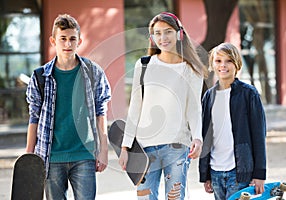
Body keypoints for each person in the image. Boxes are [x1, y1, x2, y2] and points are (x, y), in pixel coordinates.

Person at [118, 12, 207, 200]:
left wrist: (197, 138)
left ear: (179, 34)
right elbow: (135, 107)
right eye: (157, 33)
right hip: (144, 148)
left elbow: (194, 109)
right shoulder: (143, 66)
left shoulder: (192, 70)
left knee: (174, 197)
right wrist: (126, 147)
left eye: (167, 32)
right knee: (144, 198)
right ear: (151, 37)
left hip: (177, 147)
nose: (162, 38)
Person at [25, 14, 111, 199]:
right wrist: (29, 157)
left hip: (84, 155)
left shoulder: (93, 72)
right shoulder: (40, 76)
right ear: (53, 41)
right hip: (51, 156)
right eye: (62, 39)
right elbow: (34, 118)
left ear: (79, 41)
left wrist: (103, 150)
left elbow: (100, 112)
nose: (67, 44)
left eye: (72, 39)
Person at [199, 43, 267, 200]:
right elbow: (206, 136)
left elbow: (259, 136)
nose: (223, 65)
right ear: (212, 64)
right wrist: (206, 174)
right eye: (218, 61)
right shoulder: (208, 96)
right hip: (215, 172)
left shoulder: (249, 94)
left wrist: (259, 174)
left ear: (237, 64)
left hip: (240, 172)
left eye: (229, 60)